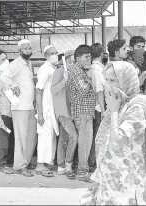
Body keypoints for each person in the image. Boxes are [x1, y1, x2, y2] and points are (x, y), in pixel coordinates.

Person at [81, 61, 146, 205]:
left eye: (113, 80)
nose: (108, 85)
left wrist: (114, 110)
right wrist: (98, 178)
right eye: (106, 80)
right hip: (110, 180)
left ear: (126, 80)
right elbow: (105, 145)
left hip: (129, 185)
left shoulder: (137, 107)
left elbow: (117, 142)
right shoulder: (117, 104)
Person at [0, 39, 37, 177]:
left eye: (29, 48)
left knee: (31, 136)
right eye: (25, 48)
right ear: (19, 51)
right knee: (21, 137)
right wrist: (13, 86)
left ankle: (25, 162)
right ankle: (20, 166)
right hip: (20, 106)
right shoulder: (15, 63)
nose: (28, 50)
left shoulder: (29, 63)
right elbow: (3, 77)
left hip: (30, 106)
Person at [67, 45, 96, 182]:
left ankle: (82, 170)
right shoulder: (76, 70)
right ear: (78, 58)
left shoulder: (80, 70)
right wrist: (90, 78)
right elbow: (84, 88)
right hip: (82, 111)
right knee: (85, 143)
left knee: (86, 142)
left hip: (86, 111)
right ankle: (82, 172)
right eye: (86, 57)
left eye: (89, 57)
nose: (88, 59)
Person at [51, 51, 78, 180]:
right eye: (70, 61)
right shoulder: (59, 72)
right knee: (74, 136)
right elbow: (53, 90)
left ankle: (61, 165)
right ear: (65, 61)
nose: (72, 63)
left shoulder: (74, 72)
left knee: (63, 139)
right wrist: (64, 80)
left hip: (71, 111)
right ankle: (68, 165)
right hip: (62, 111)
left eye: (74, 61)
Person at [35, 45, 59, 177]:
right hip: (45, 108)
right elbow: (38, 90)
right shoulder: (45, 69)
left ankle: (49, 162)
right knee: (44, 137)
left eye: (56, 52)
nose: (55, 55)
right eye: (51, 53)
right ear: (46, 56)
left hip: (52, 107)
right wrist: (40, 113)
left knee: (51, 137)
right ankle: (40, 165)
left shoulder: (54, 68)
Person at [0, 50, 15, 173]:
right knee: (2, 139)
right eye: (2, 60)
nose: (6, 61)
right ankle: (3, 163)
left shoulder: (10, 74)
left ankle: (10, 162)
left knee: (11, 139)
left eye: (6, 58)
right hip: (2, 111)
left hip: (13, 111)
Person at [89, 43, 106, 172]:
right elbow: (99, 90)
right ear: (101, 54)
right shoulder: (98, 70)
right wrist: (103, 108)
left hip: (92, 106)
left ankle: (92, 160)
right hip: (98, 107)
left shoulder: (91, 68)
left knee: (94, 135)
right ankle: (93, 162)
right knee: (97, 136)